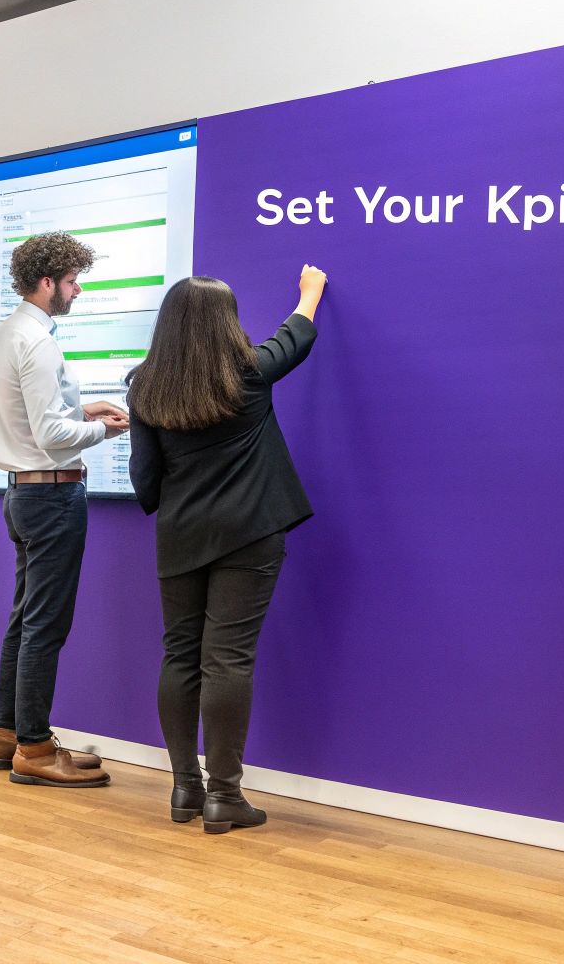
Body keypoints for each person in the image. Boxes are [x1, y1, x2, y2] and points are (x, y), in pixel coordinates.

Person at [126, 265, 327, 833]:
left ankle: (184, 789)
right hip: (250, 532)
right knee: (227, 659)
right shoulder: (249, 374)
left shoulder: (145, 387)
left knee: (180, 655)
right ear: (226, 325)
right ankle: (225, 796)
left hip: (181, 535)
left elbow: (146, 478)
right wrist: (309, 291)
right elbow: (295, 338)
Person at [0, 231, 129, 787]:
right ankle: (36, 750)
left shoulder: (1, 335)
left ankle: (8, 735)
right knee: (46, 624)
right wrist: (101, 429)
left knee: (24, 619)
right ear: (47, 283)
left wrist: (85, 406)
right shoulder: (38, 341)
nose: (77, 289)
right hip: (53, 495)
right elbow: (52, 432)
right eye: (71, 281)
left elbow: (26, 415)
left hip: (22, 493)